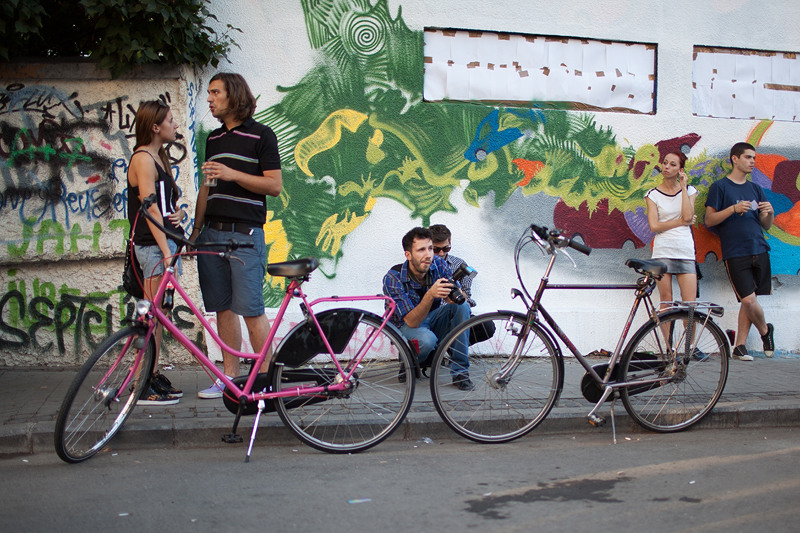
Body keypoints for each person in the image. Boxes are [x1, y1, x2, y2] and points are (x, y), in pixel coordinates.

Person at [190, 73, 282, 398]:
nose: (210, 99)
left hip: (245, 235)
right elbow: (207, 188)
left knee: (252, 309)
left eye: (216, 92)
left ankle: (269, 382)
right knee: (222, 309)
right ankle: (230, 379)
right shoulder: (213, 140)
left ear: (234, 96)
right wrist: (195, 231)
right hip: (211, 234)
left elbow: (274, 185)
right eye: (210, 93)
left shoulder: (262, 136)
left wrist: (233, 174)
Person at [127, 100, 186, 405]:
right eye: (170, 120)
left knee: (158, 316)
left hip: (162, 245)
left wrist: (175, 214)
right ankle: (141, 384)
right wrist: (166, 253)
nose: (175, 125)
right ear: (155, 126)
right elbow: (149, 207)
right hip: (152, 247)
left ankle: (152, 373)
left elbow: (161, 206)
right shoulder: (143, 159)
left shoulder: (158, 156)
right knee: (151, 317)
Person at [704, 142, 775, 361]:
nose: (752, 161)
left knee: (750, 299)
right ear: (735, 158)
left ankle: (740, 346)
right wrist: (733, 209)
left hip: (759, 248)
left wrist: (769, 213)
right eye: (748, 157)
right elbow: (709, 220)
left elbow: (766, 225)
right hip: (735, 251)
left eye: (754, 158)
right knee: (747, 300)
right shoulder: (720, 187)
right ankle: (766, 331)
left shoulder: (755, 189)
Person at [382, 227, 473, 390]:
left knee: (462, 308)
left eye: (430, 248)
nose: (428, 254)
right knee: (426, 340)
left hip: (432, 318)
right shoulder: (393, 278)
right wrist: (431, 294)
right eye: (421, 250)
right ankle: (408, 359)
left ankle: (461, 373)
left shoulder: (438, 264)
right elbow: (411, 321)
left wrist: (454, 293)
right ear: (408, 255)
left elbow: (457, 301)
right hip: (405, 326)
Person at [645, 151, 698, 307]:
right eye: (665, 162)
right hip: (663, 251)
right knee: (666, 301)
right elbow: (654, 226)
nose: (666, 167)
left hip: (685, 250)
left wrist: (683, 187)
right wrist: (681, 222)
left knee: (690, 306)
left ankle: (688, 334)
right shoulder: (652, 195)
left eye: (673, 164)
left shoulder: (690, 190)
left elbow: (688, 216)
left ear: (680, 170)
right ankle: (666, 333)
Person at [428, 224, 476, 307]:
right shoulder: (422, 265)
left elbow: (467, 297)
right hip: (430, 314)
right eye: (436, 249)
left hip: (455, 312)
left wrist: (460, 295)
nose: (441, 253)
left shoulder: (459, 264)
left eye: (446, 248)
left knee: (486, 320)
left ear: (450, 243)